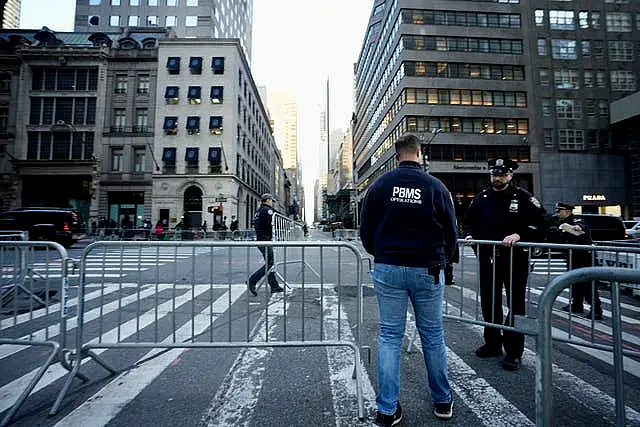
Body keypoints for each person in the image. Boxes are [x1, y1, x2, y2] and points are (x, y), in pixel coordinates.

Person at [360, 134, 457, 424]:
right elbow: (451, 231)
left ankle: (387, 409)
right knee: (432, 336)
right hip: (428, 267)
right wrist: (443, 258)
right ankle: (442, 401)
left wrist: (380, 252)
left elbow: (367, 228)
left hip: (389, 265)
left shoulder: (380, 186)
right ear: (418, 153)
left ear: (396, 154)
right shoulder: (435, 186)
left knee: (390, 336)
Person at [463, 158, 552, 371]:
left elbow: (545, 224)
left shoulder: (523, 198)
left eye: (502, 174)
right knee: (489, 302)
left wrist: (520, 234)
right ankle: (493, 343)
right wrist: (468, 235)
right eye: (495, 174)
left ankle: (514, 352)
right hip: (488, 259)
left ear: (510, 176)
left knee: (516, 305)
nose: (498, 178)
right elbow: (469, 222)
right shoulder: (481, 199)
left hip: (515, 260)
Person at [554, 202, 602, 320]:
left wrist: (578, 227)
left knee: (588, 283)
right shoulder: (561, 222)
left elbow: (581, 226)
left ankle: (596, 309)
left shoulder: (575, 219)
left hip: (584, 257)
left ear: (567, 211)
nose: (557, 213)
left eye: (559, 211)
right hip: (573, 257)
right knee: (574, 281)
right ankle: (577, 305)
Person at [247, 193, 284, 296]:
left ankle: (274, 286)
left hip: (261, 240)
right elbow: (274, 221)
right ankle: (252, 280)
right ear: (267, 200)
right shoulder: (267, 210)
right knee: (270, 264)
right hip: (265, 241)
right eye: (272, 200)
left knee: (270, 263)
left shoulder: (258, 211)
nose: (272, 203)